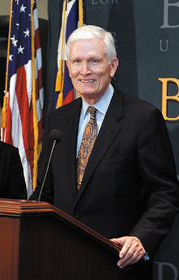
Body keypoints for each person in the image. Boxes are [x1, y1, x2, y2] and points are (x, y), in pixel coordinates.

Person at [30, 25, 179, 279]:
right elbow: (45, 191)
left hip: (118, 264)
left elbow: (165, 193)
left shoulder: (143, 118)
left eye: (94, 61)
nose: (84, 70)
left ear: (113, 65)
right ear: (68, 67)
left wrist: (140, 238)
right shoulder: (58, 120)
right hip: (63, 263)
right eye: (76, 61)